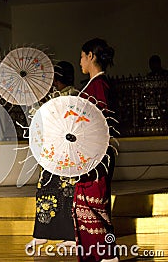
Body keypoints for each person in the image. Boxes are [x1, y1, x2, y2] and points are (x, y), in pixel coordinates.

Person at [25, 61, 79, 255]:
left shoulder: (65, 98)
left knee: (61, 192)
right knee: (60, 192)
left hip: (60, 152)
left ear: (56, 79)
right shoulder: (76, 96)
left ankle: (62, 233)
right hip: (61, 152)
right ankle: (55, 232)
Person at [74, 38, 119, 262]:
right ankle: (102, 255)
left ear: (91, 56)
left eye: (82, 56)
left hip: (95, 157)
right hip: (90, 157)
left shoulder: (98, 85)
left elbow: (100, 123)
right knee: (89, 206)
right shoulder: (94, 85)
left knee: (95, 207)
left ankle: (106, 255)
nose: (80, 61)